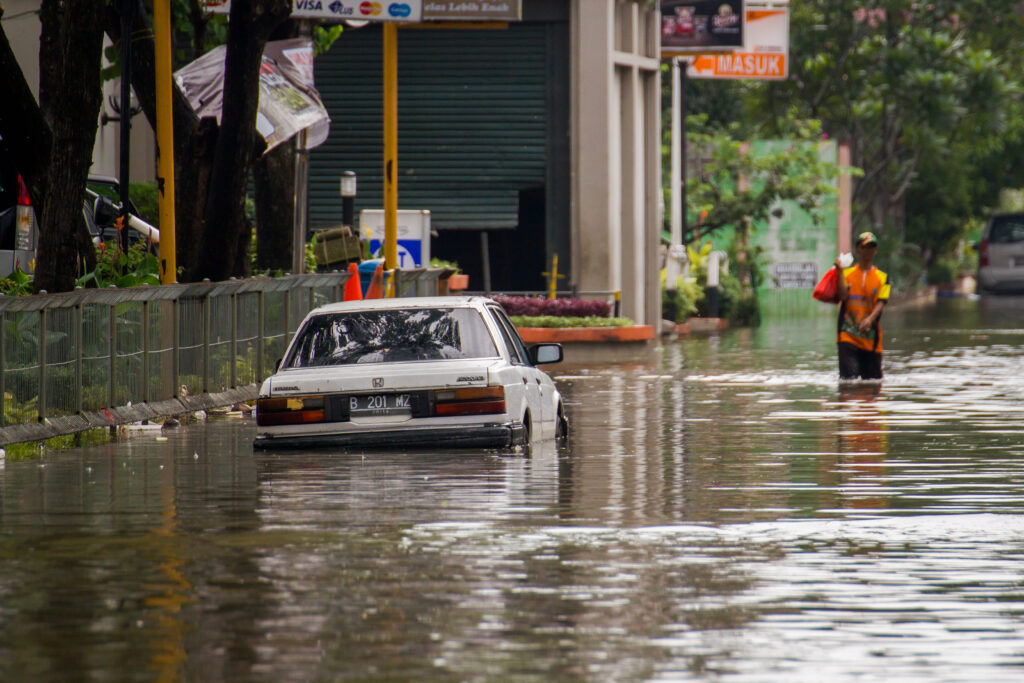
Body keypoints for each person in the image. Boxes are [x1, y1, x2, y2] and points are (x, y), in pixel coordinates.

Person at [833, 231, 891, 380]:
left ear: (876, 250)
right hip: (847, 334)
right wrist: (839, 272)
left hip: (870, 338)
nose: (868, 251)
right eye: (865, 247)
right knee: (848, 382)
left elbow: (881, 302)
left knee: (872, 382)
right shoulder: (847, 274)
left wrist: (870, 319)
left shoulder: (883, 277)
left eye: (872, 247)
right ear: (858, 250)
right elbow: (842, 296)